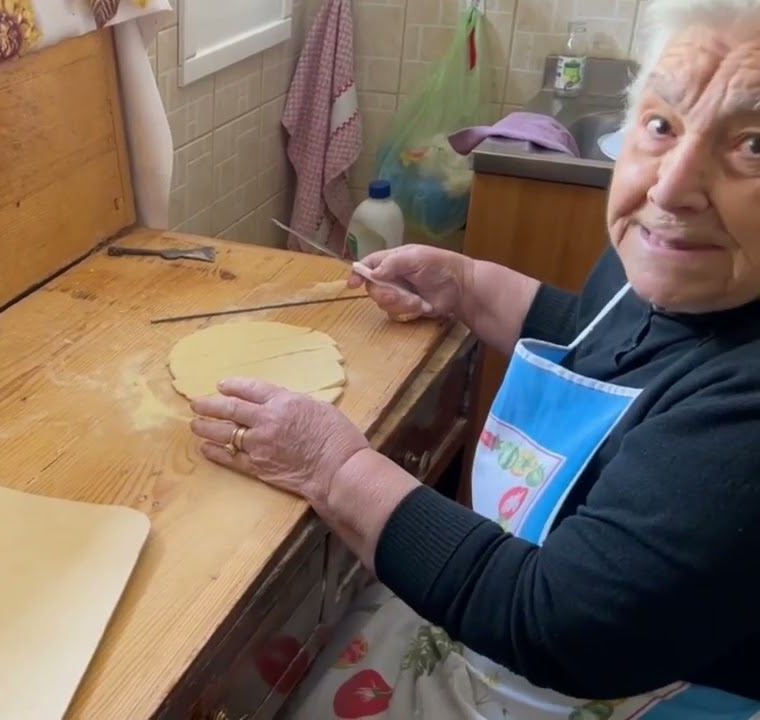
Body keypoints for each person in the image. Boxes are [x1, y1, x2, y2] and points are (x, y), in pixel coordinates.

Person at [188, 0, 760, 716]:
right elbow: (596, 341)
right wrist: (465, 284)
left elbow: (552, 622)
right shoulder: (683, 271)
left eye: (753, 147)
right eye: (661, 125)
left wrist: (334, 467)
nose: (670, 188)